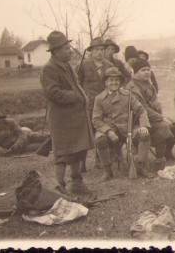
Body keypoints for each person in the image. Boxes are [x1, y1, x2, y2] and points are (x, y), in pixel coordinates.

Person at [40, 31, 94, 195]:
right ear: (56, 51)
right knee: (62, 154)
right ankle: (60, 187)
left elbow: (75, 86)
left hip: (75, 117)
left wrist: (81, 96)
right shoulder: (49, 69)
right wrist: (77, 96)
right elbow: (52, 93)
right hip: (62, 119)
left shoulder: (67, 65)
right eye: (66, 48)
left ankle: (77, 183)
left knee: (78, 150)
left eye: (69, 47)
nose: (71, 50)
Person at [92, 67, 155, 180]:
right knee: (100, 140)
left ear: (120, 82)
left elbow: (141, 110)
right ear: (106, 82)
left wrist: (144, 126)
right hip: (110, 129)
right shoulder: (99, 99)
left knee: (144, 134)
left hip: (128, 128)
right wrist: (109, 131)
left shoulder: (128, 95)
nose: (114, 82)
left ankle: (142, 166)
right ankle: (107, 170)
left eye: (116, 80)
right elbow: (96, 120)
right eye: (111, 80)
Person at [128, 58, 175, 170]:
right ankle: (159, 160)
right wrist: (161, 118)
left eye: (148, 69)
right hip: (139, 121)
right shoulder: (133, 87)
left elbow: (154, 103)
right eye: (143, 70)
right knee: (163, 127)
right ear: (135, 73)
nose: (147, 72)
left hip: (153, 117)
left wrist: (161, 116)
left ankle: (167, 153)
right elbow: (141, 109)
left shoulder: (148, 84)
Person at [76, 37, 112, 171]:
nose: (100, 52)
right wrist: (82, 97)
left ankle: (100, 160)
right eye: (97, 50)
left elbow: (117, 81)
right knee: (85, 133)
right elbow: (77, 83)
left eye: (102, 50)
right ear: (91, 51)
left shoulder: (109, 66)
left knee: (101, 131)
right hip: (88, 105)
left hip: (105, 105)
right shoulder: (83, 65)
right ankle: (82, 163)